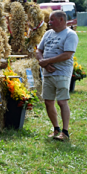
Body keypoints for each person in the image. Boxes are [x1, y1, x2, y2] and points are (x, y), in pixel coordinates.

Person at [35, 10, 78, 141]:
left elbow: (67, 54)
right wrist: (45, 64)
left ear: (61, 20)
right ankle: (56, 129)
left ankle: (65, 132)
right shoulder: (48, 34)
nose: (49, 22)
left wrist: (46, 61)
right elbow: (39, 50)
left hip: (62, 73)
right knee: (48, 102)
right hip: (47, 73)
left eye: (52, 20)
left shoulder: (70, 34)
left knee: (61, 101)